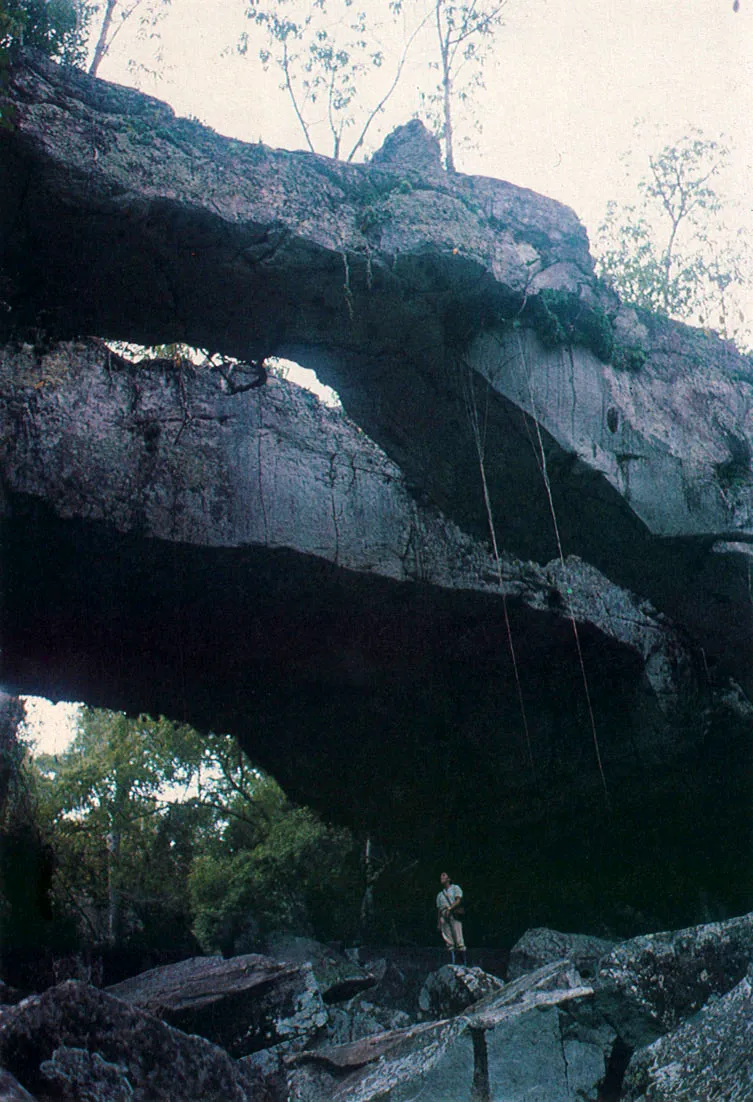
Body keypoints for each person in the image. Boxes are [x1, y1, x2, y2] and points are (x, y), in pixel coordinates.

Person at [436, 871, 466, 965]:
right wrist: (439, 923)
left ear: (449, 878)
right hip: (444, 915)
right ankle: (452, 962)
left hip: (453, 913)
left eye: (444, 875)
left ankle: (463, 963)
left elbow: (458, 900)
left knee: (458, 939)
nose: (442, 877)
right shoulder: (440, 895)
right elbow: (439, 909)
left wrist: (450, 908)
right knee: (448, 940)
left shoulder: (455, 888)